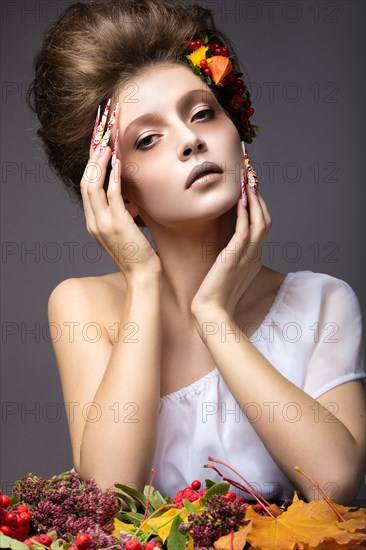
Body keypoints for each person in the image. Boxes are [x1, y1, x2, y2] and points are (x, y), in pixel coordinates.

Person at [27, 0, 366, 505]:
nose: (189, 140)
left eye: (203, 113)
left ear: (238, 131)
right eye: (147, 139)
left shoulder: (322, 302)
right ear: (116, 189)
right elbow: (105, 500)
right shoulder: (82, 306)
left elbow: (335, 484)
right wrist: (142, 281)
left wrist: (214, 318)